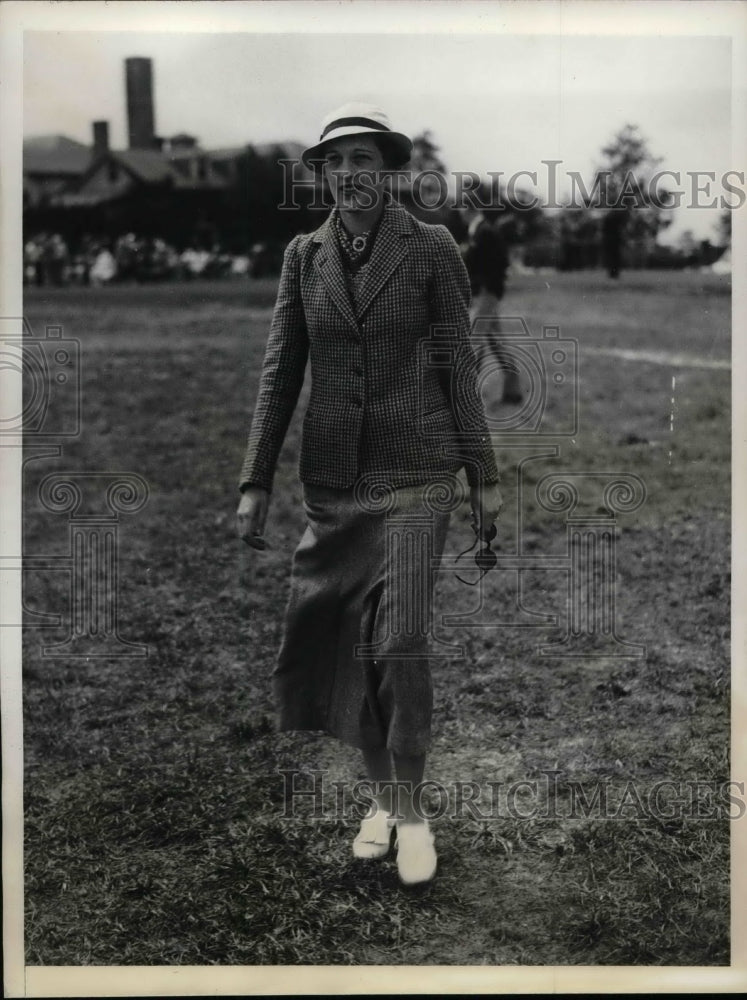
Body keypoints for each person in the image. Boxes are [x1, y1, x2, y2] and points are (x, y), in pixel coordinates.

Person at [236, 102, 502, 886]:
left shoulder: (431, 249)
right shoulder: (302, 257)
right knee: (354, 648)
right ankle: (381, 800)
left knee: (399, 642)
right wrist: (254, 479)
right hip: (334, 484)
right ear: (320, 174)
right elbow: (280, 372)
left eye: (365, 159)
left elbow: (458, 366)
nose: (350, 173)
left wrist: (483, 475)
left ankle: (413, 816)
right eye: (335, 161)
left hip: (418, 472)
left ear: (389, 171)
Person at [464, 208, 522, 404]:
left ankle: (466, 392)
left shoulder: (484, 231)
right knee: (496, 342)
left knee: (474, 338)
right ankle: (513, 390)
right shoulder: (481, 230)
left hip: (487, 293)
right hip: (487, 292)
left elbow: (493, 263)